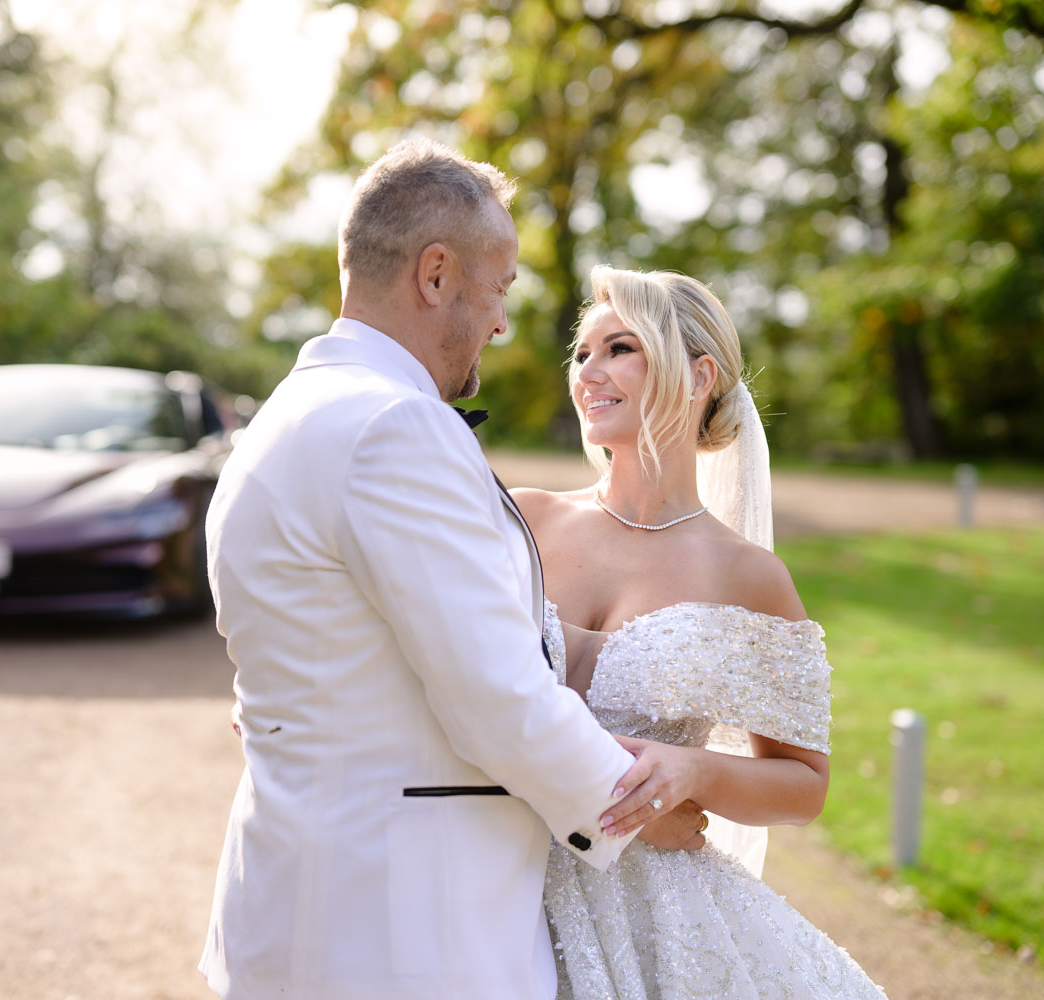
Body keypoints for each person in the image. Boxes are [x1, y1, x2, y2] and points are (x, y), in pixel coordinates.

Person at [199, 140, 703, 1000]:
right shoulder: (393, 426)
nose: (503, 321)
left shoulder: (290, 414)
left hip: (303, 905)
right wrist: (638, 807)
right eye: (499, 287)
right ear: (436, 275)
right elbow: (495, 694)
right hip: (399, 936)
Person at [513, 265, 889, 998]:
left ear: (697, 376)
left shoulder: (749, 577)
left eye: (620, 347)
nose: (589, 371)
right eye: (582, 353)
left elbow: (804, 785)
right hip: (493, 880)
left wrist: (692, 772)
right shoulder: (522, 523)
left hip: (652, 919)